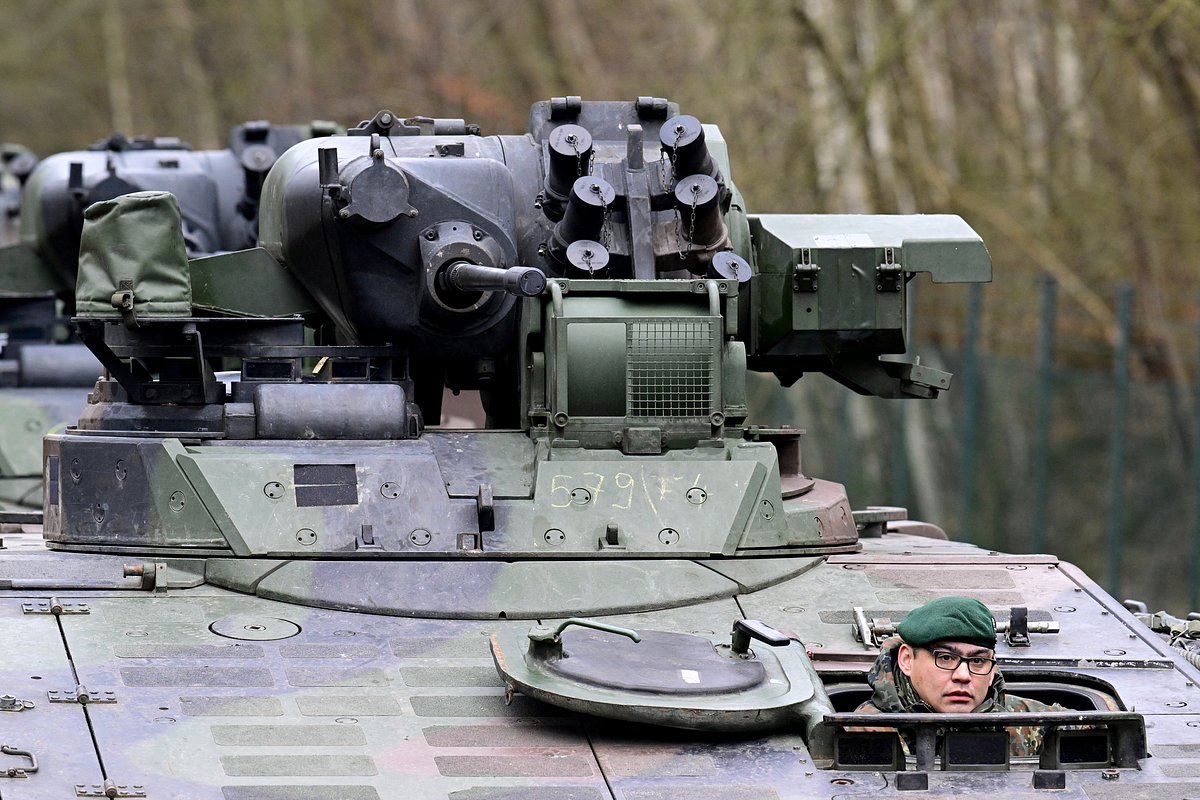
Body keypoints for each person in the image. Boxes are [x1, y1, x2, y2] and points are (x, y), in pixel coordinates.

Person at [855, 595, 1063, 756]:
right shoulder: (865, 733)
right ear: (907, 660)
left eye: (978, 661)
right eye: (946, 658)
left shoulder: (1026, 721)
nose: (963, 675)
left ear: (992, 671)